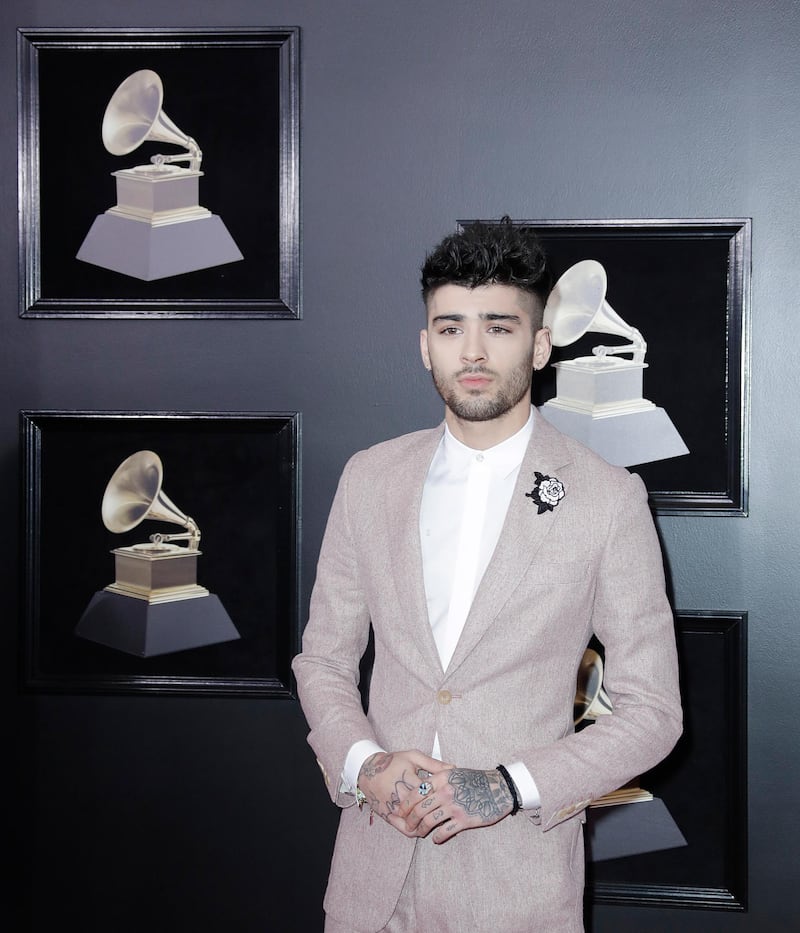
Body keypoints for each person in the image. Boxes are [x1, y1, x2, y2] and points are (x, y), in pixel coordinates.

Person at [292, 218, 682, 932]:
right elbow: (322, 661)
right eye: (450, 328)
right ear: (424, 345)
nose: (472, 351)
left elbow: (653, 712)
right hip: (370, 886)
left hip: (517, 892)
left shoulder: (608, 497)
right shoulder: (369, 479)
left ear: (538, 346)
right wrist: (364, 763)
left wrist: (507, 785)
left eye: (498, 327)